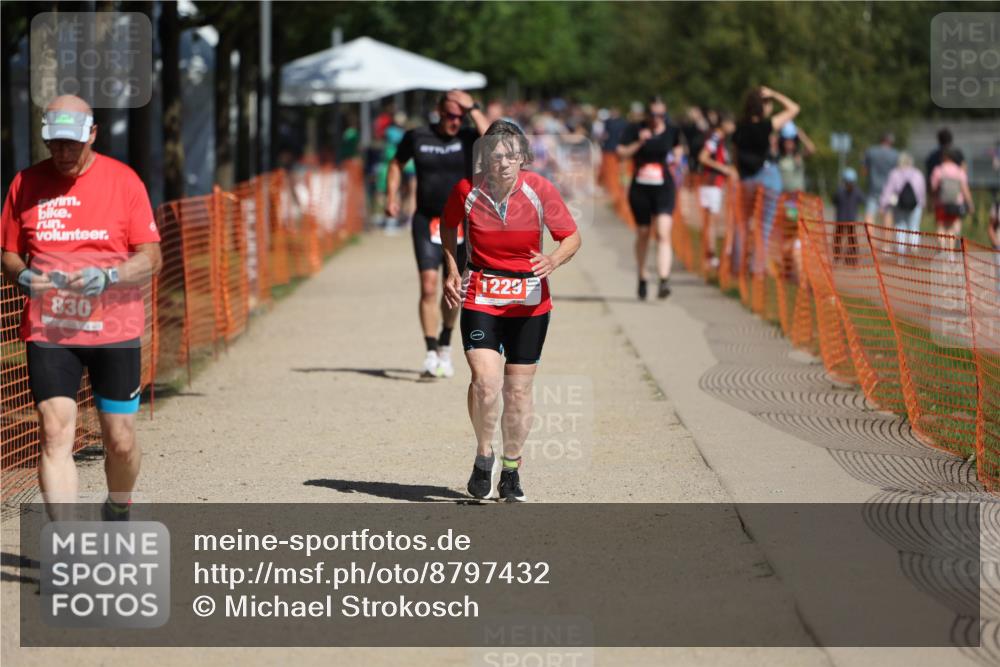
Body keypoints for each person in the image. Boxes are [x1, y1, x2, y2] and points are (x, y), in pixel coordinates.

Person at [0, 95, 162, 520]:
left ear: (92, 134)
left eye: (73, 143)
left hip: (115, 329)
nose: (64, 153)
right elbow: (9, 254)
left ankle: (118, 505)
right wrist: (23, 277)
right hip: (51, 331)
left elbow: (152, 256)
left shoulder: (124, 181)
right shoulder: (25, 184)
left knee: (120, 439)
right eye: (55, 143)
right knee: (54, 432)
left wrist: (109, 277)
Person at [441, 121, 581, 502]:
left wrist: (552, 260)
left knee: (517, 392)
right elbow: (448, 224)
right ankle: (483, 455)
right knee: (486, 383)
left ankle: (511, 470)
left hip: (529, 303)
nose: (501, 163)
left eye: (509, 156)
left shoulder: (540, 190)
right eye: (493, 156)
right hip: (482, 294)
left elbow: (571, 236)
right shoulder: (466, 191)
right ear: (484, 159)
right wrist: (452, 269)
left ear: (521, 158)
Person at [386, 91, 488, 378]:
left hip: (462, 223)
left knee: (454, 286)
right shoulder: (417, 136)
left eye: (459, 116)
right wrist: (391, 195)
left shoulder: (469, 137)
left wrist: (474, 108)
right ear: (438, 112)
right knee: (429, 286)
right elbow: (396, 163)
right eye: (449, 115)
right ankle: (431, 352)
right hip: (426, 219)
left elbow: (496, 140)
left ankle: (446, 343)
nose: (454, 121)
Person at [616, 96, 680, 300]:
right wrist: (639, 142)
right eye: (653, 115)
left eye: (661, 115)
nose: (657, 119)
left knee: (663, 232)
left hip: (664, 187)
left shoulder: (671, 130)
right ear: (647, 114)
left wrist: (677, 158)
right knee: (643, 233)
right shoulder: (635, 129)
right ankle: (642, 275)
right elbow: (621, 153)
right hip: (640, 188)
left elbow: (678, 149)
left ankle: (664, 279)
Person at [732, 86, 800, 268]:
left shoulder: (738, 128)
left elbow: (736, 156)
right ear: (762, 106)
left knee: (741, 224)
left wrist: (741, 175)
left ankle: (737, 268)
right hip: (767, 178)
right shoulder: (767, 126)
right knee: (764, 226)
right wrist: (774, 94)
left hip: (745, 179)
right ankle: (757, 269)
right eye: (768, 104)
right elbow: (794, 109)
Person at [698, 114, 738, 269]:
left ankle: (710, 256)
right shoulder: (715, 137)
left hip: (715, 183)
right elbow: (703, 157)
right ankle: (709, 256)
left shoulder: (720, 140)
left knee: (711, 221)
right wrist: (723, 169)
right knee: (711, 222)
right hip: (711, 182)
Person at [879, 152, 926, 258]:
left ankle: (901, 252)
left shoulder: (894, 173)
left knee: (901, 226)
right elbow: (922, 191)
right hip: (916, 205)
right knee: (914, 226)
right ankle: (914, 248)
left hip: (899, 205)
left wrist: (883, 205)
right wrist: (923, 204)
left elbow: (888, 190)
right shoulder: (918, 174)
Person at [930, 148, 974, 250]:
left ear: (943, 158)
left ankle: (942, 250)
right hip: (956, 203)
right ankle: (950, 253)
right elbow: (965, 189)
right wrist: (970, 204)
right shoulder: (959, 171)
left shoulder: (938, 170)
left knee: (941, 226)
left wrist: (932, 201)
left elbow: (933, 188)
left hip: (941, 203)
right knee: (951, 228)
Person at [862, 132, 899, 224]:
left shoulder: (870, 151)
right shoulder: (895, 154)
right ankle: (886, 238)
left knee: (869, 215)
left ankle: (870, 238)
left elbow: (864, 171)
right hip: (889, 190)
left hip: (873, 188)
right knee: (887, 216)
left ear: (881, 140)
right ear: (891, 142)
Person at [832, 167, 864, 264]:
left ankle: (838, 256)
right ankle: (852, 258)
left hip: (841, 219)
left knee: (839, 238)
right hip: (850, 220)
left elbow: (834, 201)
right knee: (851, 239)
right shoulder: (856, 191)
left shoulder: (839, 190)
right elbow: (863, 200)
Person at [776, 121, 816, 193]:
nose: (789, 144)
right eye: (786, 141)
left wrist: (802, 136)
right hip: (782, 195)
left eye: (791, 141)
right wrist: (778, 132)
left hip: (797, 197)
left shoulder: (798, 155)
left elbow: (811, 149)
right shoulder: (778, 156)